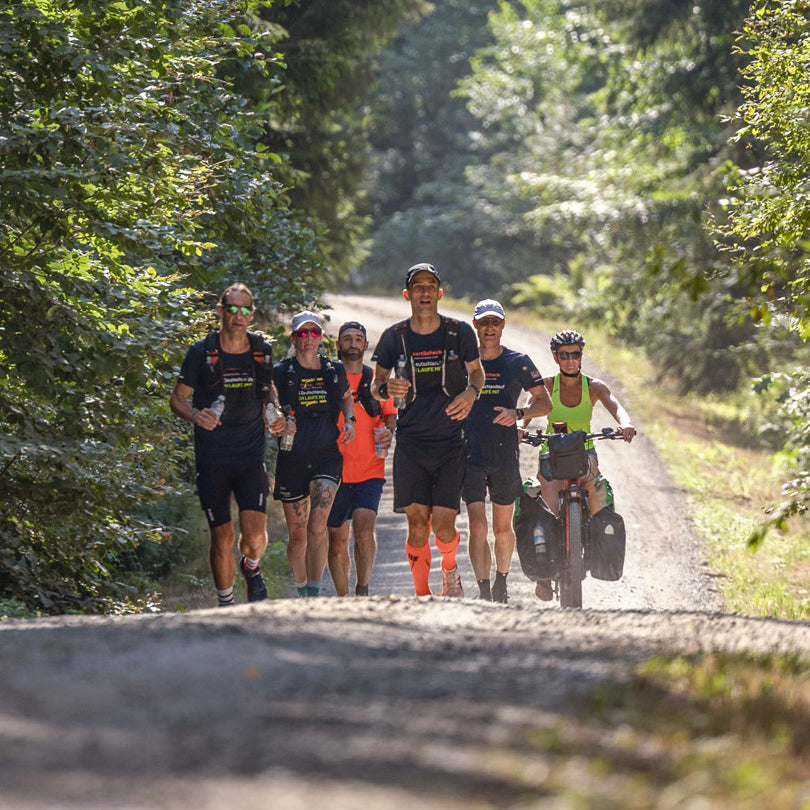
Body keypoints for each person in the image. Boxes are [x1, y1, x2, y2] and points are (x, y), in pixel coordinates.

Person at [371, 262, 484, 597]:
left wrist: (471, 392)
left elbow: (476, 373)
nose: (424, 292)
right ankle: (422, 596)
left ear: (439, 292)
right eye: (417, 286)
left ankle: (449, 568)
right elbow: (374, 385)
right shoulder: (395, 337)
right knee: (418, 523)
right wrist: (385, 389)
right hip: (411, 444)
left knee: (443, 526)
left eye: (430, 285)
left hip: (450, 444)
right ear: (407, 294)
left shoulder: (459, 332)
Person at [169, 283, 284, 607]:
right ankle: (226, 606)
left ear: (252, 313)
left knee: (254, 538)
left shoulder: (260, 350)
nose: (238, 316)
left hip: (249, 456)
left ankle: (251, 566)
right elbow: (177, 399)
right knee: (222, 537)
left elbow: (268, 390)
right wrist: (195, 414)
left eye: (245, 309)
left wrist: (273, 411)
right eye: (231, 309)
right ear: (220, 311)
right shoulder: (201, 352)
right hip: (212, 458)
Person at [533, 328, 636, 600]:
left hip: (585, 455)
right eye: (564, 355)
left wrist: (625, 424)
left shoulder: (594, 387)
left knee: (596, 503)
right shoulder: (545, 386)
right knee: (551, 509)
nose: (570, 360)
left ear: (581, 356)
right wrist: (519, 427)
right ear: (555, 357)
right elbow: (528, 409)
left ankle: (593, 549)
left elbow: (616, 405)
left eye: (575, 354)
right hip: (551, 456)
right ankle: (545, 572)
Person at [463, 299, 552, 603]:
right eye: (484, 322)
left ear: (503, 325)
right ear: (475, 325)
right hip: (469, 453)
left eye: (495, 322)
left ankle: (501, 582)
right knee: (477, 526)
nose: (489, 328)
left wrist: (518, 413)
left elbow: (545, 402)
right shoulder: (463, 362)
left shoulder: (518, 362)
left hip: (503, 454)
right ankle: (484, 589)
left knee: (502, 529)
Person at [273, 310, 355, 597]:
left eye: (315, 333)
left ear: (322, 338)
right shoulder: (281, 373)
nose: (309, 339)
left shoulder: (333, 370)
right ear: (294, 338)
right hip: (292, 456)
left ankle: (315, 593)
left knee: (318, 526)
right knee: (297, 535)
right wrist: (279, 423)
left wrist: (350, 420)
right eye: (303, 333)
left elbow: (347, 398)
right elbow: (268, 409)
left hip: (326, 454)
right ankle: (301, 591)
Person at [326, 322, 397, 596]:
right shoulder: (328, 378)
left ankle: (363, 588)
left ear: (366, 345)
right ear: (338, 345)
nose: (353, 344)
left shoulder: (376, 382)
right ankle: (343, 599)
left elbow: (390, 413)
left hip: (370, 470)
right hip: (334, 472)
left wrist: (389, 431)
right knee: (337, 539)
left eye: (358, 339)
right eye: (347, 339)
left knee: (365, 530)